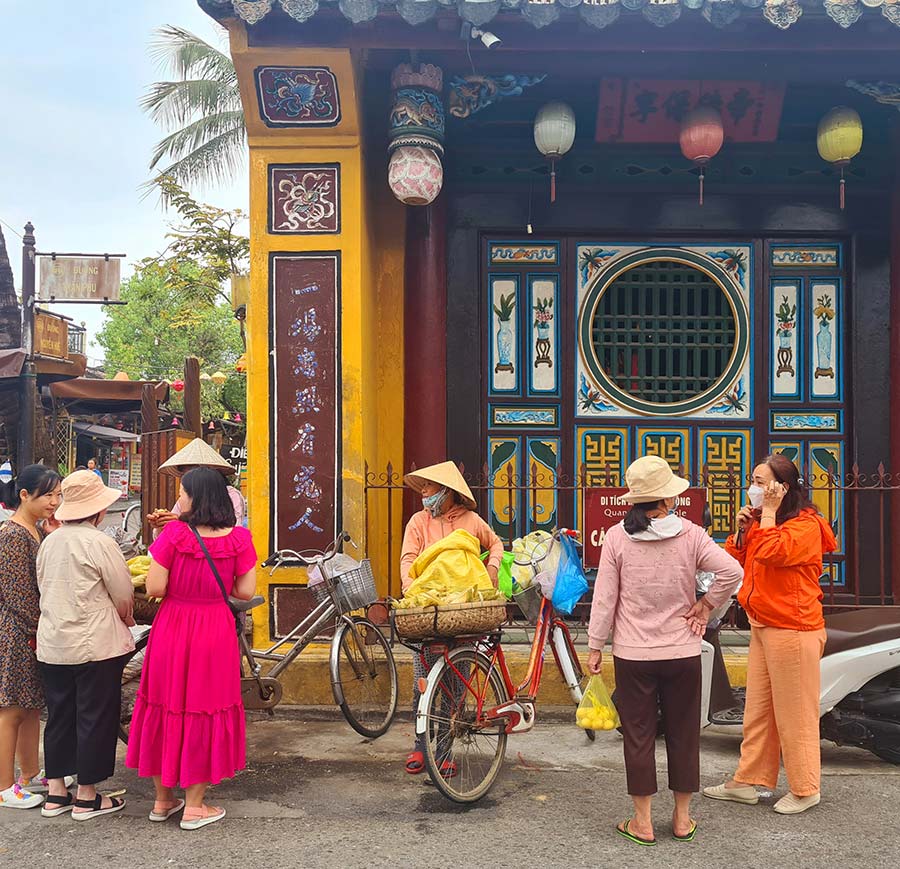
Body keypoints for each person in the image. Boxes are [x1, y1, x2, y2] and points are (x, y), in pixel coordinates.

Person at [587, 455, 743, 846]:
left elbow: (604, 599)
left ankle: (641, 822)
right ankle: (682, 819)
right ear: (669, 498)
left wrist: (593, 646)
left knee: (637, 736)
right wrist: (706, 605)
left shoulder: (618, 537)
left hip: (633, 653)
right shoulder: (691, 534)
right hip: (682, 651)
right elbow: (732, 572)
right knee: (684, 732)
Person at [704, 454, 836, 815]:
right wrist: (742, 528)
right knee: (759, 711)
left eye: (762, 483)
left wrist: (767, 515)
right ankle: (748, 781)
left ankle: (806, 788)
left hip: (793, 627)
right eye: (754, 480)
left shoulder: (806, 526)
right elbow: (739, 562)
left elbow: (773, 553)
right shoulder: (768, 522)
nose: (755, 489)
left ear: (783, 488)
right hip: (765, 624)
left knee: (795, 713)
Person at [126, 467, 257, 830]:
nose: (179, 500)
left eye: (183, 493)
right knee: (204, 707)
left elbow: (154, 586)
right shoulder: (241, 539)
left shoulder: (173, 535)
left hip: (172, 628)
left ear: (197, 498)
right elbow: (245, 593)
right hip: (213, 631)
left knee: (166, 705)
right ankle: (195, 805)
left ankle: (162, 799)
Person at [35, 470, 135, 819]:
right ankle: (87, 796)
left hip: (53, 644)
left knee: (60, 716)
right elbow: (123, 593)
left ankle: (56, 792)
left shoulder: (50, 542)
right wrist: (126, 619)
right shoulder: (99, 542)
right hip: (95, 645)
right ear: (96, 510)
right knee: (95, 715)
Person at [400, 461, 503, 775]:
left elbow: (495, 543)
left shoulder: (471, 520)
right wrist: (410, 589)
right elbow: (408, 559)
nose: (424, 494)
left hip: (462, 614)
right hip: (430, 612)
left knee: (455, 688)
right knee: (423, 683)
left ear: (447, 492)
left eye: (429, 488)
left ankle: (444, 751)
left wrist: (492, 569)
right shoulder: (418, 522)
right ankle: (420, 745)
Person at [0, 465, 62, 809]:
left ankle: (30, 773)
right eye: (48, 495)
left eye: (57, 494)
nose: (54, 502)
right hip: (17, 630)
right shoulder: (12, 535)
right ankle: (5, 786)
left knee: (30, 705)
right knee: (11, 709)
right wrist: (39, 630)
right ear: (25, 495)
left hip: (30, 629)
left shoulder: (35, 529)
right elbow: (16, 595)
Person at [147, 438, 246, 534]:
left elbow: (230, 533)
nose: (188, 480)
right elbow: (162, 540)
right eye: (184, 476)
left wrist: (181, 524)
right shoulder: (185, 497)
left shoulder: (230, 495)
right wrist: (161, 525)